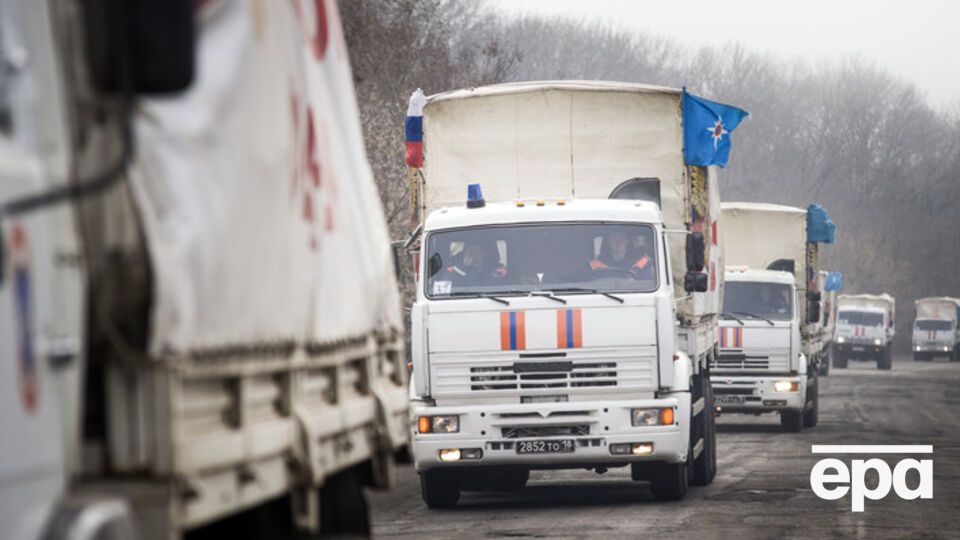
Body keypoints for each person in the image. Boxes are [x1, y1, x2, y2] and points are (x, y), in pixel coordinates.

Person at [436, 240, 507, 288]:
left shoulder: (499, 272)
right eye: (470, 252)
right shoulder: (451, 272)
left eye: (477, 251)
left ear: (484, 254)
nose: (473, 255)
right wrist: (463, 268)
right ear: (464, 254)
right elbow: (441, 293)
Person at [588, 230, 654, 280]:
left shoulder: (642, 263)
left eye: (622, 238)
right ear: (608, 242)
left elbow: (647, 284)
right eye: (614, 239)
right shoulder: (595, 265)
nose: (618, 242)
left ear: (627, 241)